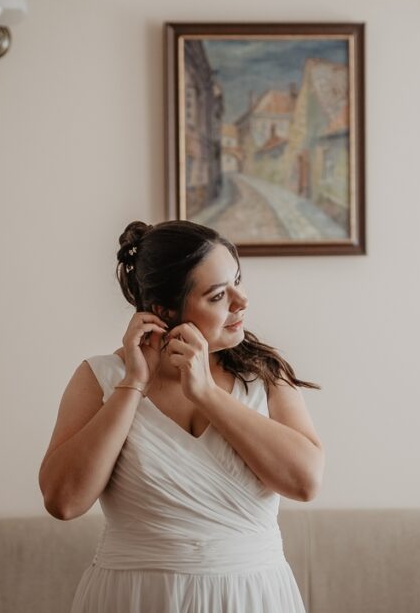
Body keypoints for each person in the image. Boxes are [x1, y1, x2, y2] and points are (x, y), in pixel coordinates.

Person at [39, 219, 324, 613]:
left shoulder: (265, 376)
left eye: (238, 281)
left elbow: (305, 483)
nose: (241, 301)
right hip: (135, 600)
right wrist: (133, 384)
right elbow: (64, 502)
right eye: (218, 295)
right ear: (164, 310)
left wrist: (206, 393)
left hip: (252, 597)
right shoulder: (99, 377)